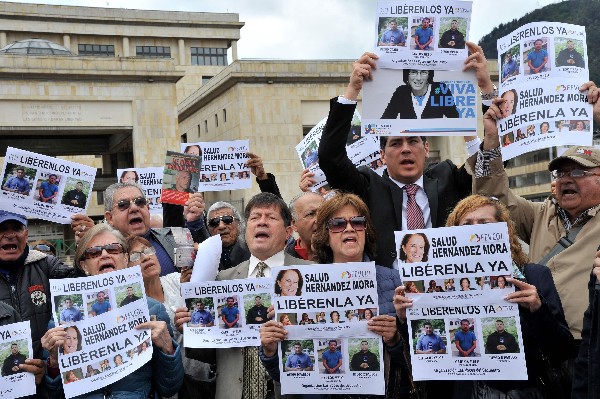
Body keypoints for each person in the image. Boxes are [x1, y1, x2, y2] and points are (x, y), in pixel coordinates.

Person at [318, 42, 493, 268]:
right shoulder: (367, 186)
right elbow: (330, 157)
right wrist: (352, 91)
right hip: (389, 295)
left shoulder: (447, 176)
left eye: (413, 141)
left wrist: (486, 87)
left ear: (426, 149)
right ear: (382, 154)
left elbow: (492, 164)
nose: (406, 149)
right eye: (396, 143)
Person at [395, 194, 573, 397]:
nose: (474, 229)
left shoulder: (533, 276)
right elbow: (420, 360)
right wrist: (405, 318)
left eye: (484, 222)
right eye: (467, 224)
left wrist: (538, 310)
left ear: (503, 230)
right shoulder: (432, 285)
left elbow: (562, 350)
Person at [471, 84, 600, 343]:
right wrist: (492, 143)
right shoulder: (540, 214)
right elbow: (492, 198)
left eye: (577, 173)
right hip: (542, 341)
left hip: (586, 346)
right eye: (560, 173)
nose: (565, 180)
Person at [260, 192, 406, 396]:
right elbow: (286, 377)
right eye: (338, 224)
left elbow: (413, 366)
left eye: (357, 222)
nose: (349, 228)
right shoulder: (298, 285)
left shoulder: (394, 281)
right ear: (325, 235)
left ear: (366, 230)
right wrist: (270, 349)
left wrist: (394, 339)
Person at [179, 192, 312, 399]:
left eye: (271, 217)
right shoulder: (222, 280)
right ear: (245, 229)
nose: (262, 222)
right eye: (255, 217)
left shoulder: (311, 274)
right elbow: (211, 352)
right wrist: (191, 328)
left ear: (288, 232)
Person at [41, 224, 184, 398]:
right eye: (94, 253)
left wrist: (168, 349)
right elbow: (53, 394)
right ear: (84, 265)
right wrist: (54, 362)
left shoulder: (153, 310)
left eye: (113, 249)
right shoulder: (61, 317)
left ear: (125, 258)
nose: (104, 254)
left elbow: (170, 388)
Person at [70, 181, 209, 276]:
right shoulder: (101, 253)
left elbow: (210, 266)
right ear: (110, 217)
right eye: (123, 205)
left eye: (140, 202)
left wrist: (195, 223)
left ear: (147, 208)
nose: (134, 208)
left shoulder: (175, 236)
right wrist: (86, 244)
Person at [0, 209, 69, 387]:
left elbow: (86, 281)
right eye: (1, 229)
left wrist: (86, 240)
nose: (9, 235)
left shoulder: (47, 265)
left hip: (48, 385)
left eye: (16, 228)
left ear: (26, 234)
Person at [381, 69, 459, 119]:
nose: (418, 78)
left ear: (429, 75)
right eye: (413, 72)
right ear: (407, 75)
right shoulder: (401, 92)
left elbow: (456, 120)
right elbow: (386, 120)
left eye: (424, 72)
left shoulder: (440, 89)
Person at [206, 201, 250, 271]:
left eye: (227, 220)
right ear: (209, 230)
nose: (221, 226)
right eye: (214, 222)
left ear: (239, 224)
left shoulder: (253, 250)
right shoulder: (205, 256)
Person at [286, 192, 324, 260]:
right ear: (294, 224)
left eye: (323, 212)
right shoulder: (283, 261)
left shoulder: (343, 253)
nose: (319, 219)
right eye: (310, 214)